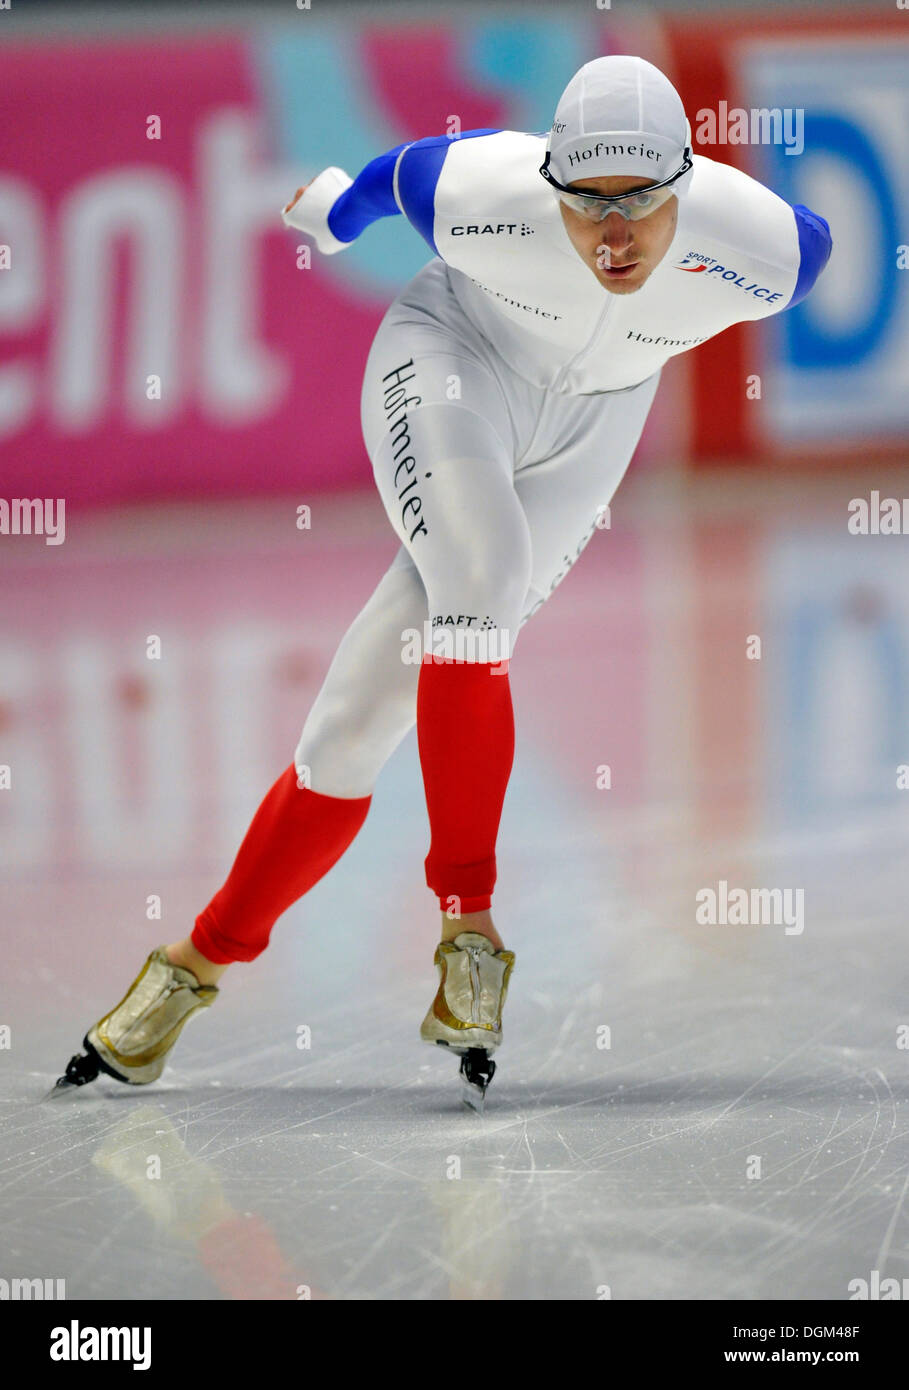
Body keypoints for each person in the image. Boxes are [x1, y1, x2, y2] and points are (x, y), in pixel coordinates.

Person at [55, 55, 831, 1104]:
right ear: (547, 183)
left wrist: (344, 209)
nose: (612, 233)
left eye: (641, 205)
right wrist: (334, 213)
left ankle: (189, 969)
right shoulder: (484, 188)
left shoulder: (770, 248)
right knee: (481, 575)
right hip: (453, 360)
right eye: (585, 204)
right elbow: (389, 179)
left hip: (593, 426)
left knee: (350, 733)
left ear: (687, 186)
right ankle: (470, 925)